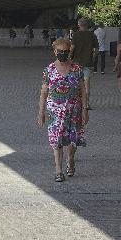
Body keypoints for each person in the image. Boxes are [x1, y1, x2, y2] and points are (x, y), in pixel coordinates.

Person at [36, 37, 88, 182]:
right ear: (54, 51)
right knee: (56, 140)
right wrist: (41, 112)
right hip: (55, 112)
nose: (63, 54)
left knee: (73, 140)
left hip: (74, 111)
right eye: (60, 51)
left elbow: (83, 90)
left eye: (66, 51)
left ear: (70, 51)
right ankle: (58, 170)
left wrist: (85, 109)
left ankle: (70, 159)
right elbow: (44, 92)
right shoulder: (49, 70)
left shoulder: (77, 69)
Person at [70, 19, 98, 95]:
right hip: (88, 62)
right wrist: (93, 58)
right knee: (87, 84)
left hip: (77, 62)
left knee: (77, 83)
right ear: (87, 25)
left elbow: (72, 48)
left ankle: (79, 103)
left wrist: (69, 58)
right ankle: (87, 104)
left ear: (79, 25)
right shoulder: (92, 35)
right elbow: (96, 50)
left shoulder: (76, 35)